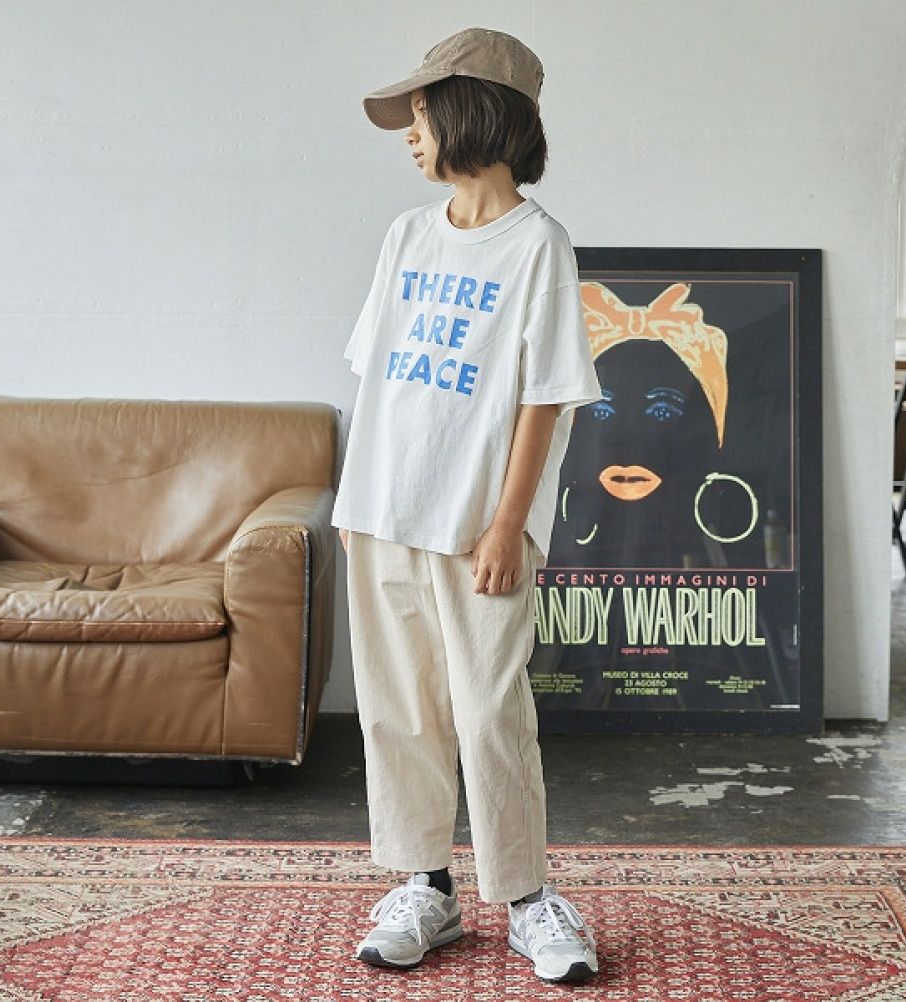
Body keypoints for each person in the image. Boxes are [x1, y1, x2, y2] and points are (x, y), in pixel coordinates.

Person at [330, 26, 604, 984]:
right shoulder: (407, 236)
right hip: (382, 508)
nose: (410, 135)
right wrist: (359, 502)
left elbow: (545, 397)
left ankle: (526, 897)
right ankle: (426, 888)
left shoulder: (538, 246)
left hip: (478, 525)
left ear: (474, 112)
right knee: (398, 709)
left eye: (421, 113)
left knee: (490, 711)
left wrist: (507, 524)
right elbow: (381, 380)